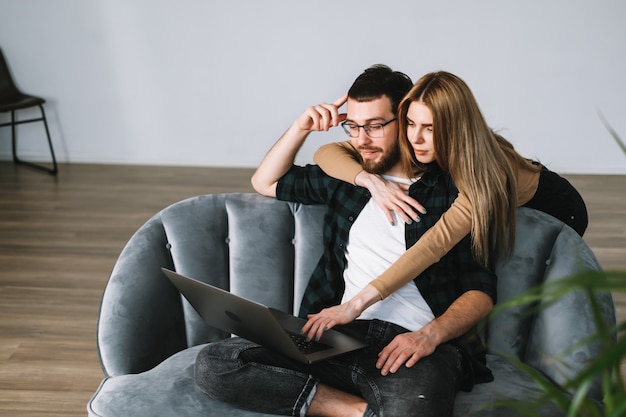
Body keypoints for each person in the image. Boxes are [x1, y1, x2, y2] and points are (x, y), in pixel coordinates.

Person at [194, 65, 496, 417]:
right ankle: (356, 412)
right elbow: (265, 182)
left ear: (405, 118)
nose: (361, 138)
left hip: (413, 346)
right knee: (219, 361)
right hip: (340, 335)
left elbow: (481, 291)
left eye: (374, 126)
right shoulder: (348, 179)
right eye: (353, 126)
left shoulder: (455, 191)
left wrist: (429, 336)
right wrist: (301, 128)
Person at [307, 71, 588, 330]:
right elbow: (328, 151)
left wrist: (355, 304)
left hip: (559, 207)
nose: (415, 138)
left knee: (527, 279)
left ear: (454, 128)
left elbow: (435, 243)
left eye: (429, 128)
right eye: (411, 123)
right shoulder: (420, 142)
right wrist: (371, 181)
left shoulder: (483, 172)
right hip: (497, 188)